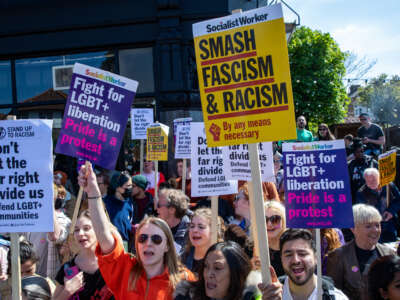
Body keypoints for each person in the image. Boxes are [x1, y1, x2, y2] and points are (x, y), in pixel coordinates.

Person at [77, 162, 195, 300]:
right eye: (142, 238)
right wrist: (93, 192)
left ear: (167, 246)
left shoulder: (184, 280)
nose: (148, 243)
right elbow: (104, 237)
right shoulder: (125, 270)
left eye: (156, 239)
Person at [326, 204, 395, 300]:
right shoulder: (338, 256)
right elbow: (332, 293)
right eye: (368, 226)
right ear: (353, 228)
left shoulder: (389, 253)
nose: (375, 230)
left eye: (377, 225)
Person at [174, 241, 283, 300]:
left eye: (217, 268)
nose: (209, 274)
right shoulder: (186, 296)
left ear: (235, 273)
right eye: (206, 266)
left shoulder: (253, 297)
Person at [53, 210, 114, 299]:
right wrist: (67, 291)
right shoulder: (68, 268)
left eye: (86, 228)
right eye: (76, 230)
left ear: (98, 230)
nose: (80, 233)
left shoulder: (114, 264)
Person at [280, 229, 348, 300]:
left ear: (316, 257)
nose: (296, 260)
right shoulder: (270, 295)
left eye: (302, 254)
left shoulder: (337, 298)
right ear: (281, 258)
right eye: (288, 255)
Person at [26, 184, 71, 280]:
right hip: (29, 279)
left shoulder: (62, 220)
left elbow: (55, 236)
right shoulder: (31, 218)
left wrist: (48, 203)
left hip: (49, 283)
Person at [356, 168, 400, 242]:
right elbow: (362, 211)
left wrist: (391, 212)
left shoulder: (388, 185)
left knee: (391, 247)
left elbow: (398, 200)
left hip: (390, 224)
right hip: (374, 227)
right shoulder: (361, 192)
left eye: (373, 180)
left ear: (379, 178)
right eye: (368, 181)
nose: (371, 183)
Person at [181, 208, 224, 275]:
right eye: (192, 226)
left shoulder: (222, 259)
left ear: (213, 231)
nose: (194, 230)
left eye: (201, 227)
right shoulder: (182, 258)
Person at [253, 201, 286, 277]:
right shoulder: (251, 248)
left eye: (275, 219)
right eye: (264, 219)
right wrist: (251, 268)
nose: (269, 224)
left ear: (283, 222)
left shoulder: (292, 246)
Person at [103, 171, 134, 247]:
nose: (130, 188)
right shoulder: (105, 203)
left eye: (131, 186)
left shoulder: (129, 203)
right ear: (117, 187)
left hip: (125, 245)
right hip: (109, 244)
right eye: (128, 186)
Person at [157, 188, 191, 252]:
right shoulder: (157, 227)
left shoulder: (190, 231)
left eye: (159, 205)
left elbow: (179, 256)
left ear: (172, 210)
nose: (156, 209)